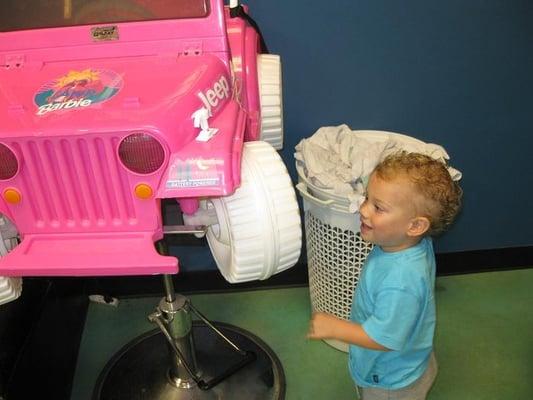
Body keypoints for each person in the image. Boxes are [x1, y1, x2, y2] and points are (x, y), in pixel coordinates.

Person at [307, 151, 462, 400]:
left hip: (390, 380)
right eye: (367, 198)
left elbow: (382, 339)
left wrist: (334, 327)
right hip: (410, 353)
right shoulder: (413, 244)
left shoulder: (401, 282)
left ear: (415, 226)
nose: (363, 209)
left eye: (378, 207)